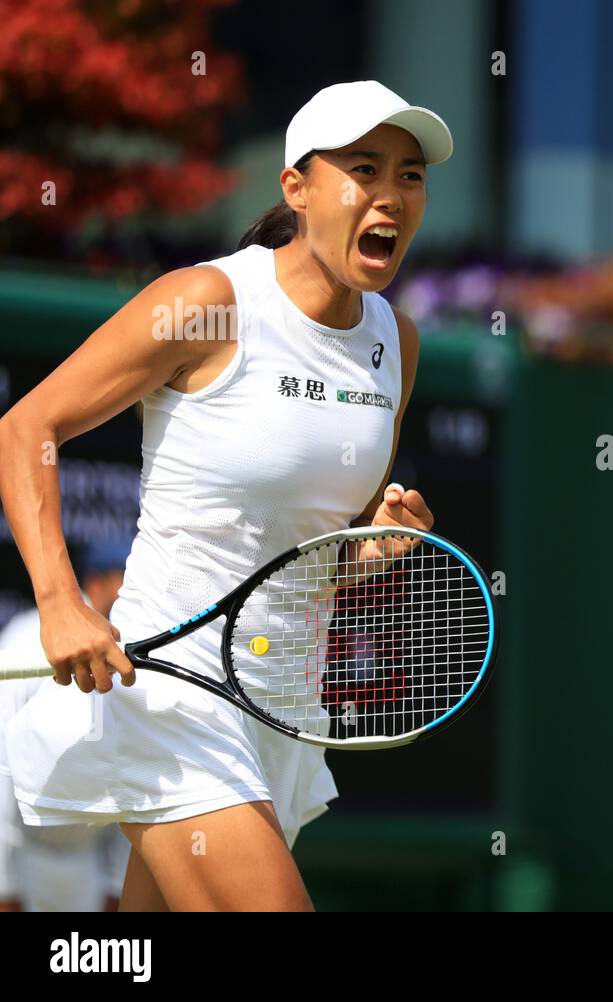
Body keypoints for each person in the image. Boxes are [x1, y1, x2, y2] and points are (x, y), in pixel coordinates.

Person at [0, 80, 450, 911]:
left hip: (281, 708)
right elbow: (28, 427)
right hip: (172, 691)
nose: (390, 194)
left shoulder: (396, 342)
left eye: (411, 175)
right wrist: (61, 601)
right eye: (363, 168)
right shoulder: (208, 303)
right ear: (296, 186)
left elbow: (324, 553)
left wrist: (375, 546)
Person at [0, 539, 134, 911]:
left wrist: (115, 882)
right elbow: (1, 768)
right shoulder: (27, 635)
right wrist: (4, 886)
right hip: (21, 860)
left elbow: (133, 775)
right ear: (95, 584)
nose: (134, 590)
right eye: (126, 579)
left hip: (90, 868)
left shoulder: (132, 646)